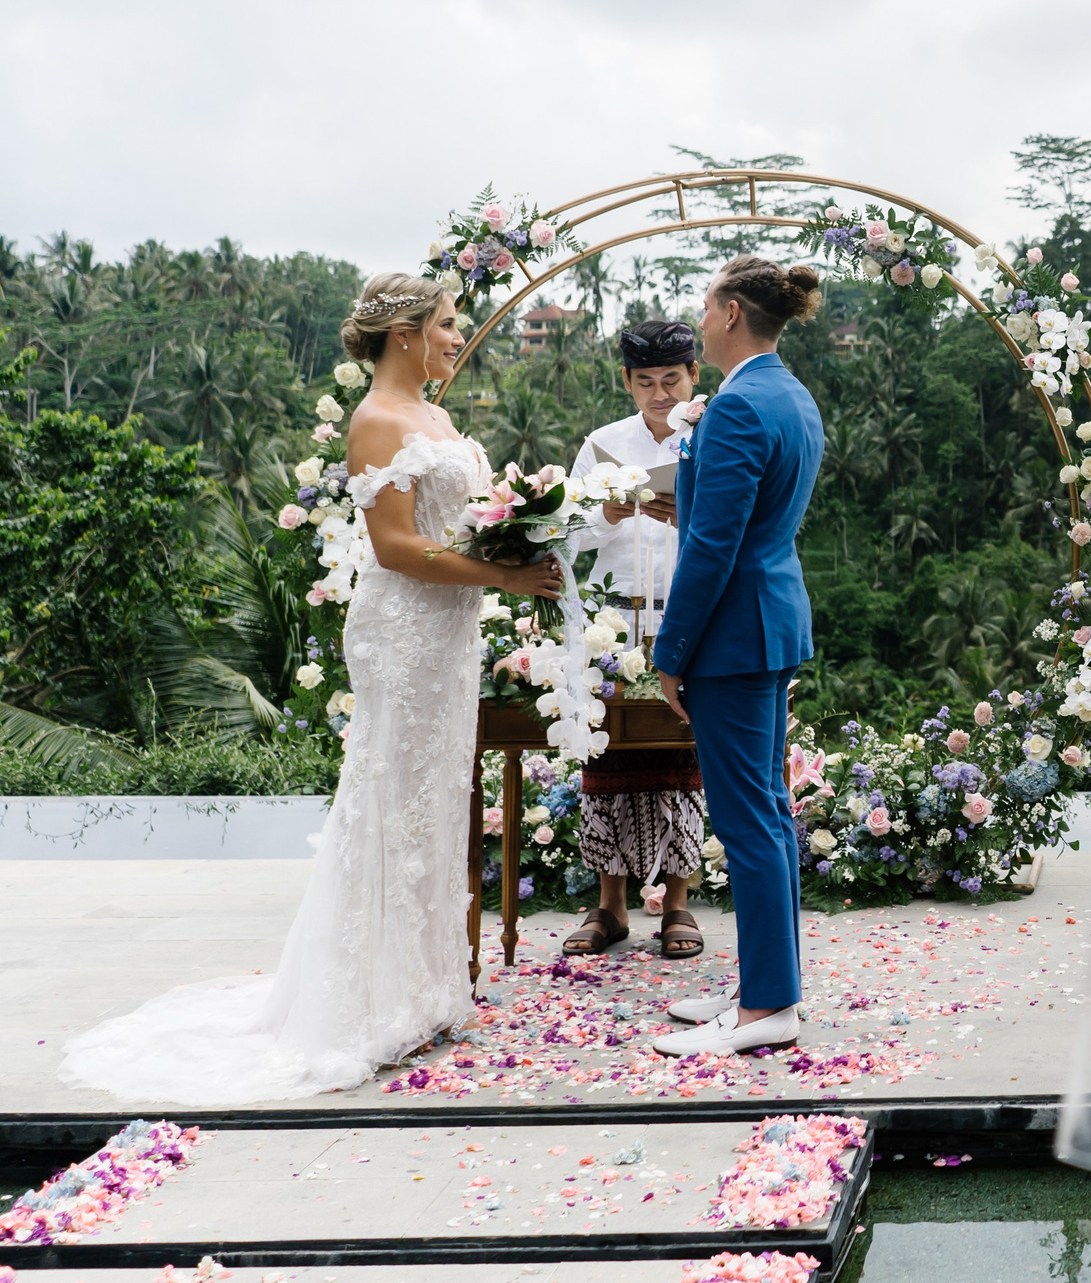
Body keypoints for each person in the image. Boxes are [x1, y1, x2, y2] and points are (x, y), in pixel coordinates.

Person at [59, 274, 564, 1104]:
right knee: (391, 798)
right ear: (402, 333)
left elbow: (454, 523)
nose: (454, 335)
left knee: (435, 799)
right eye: (444, 323)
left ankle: (430, 989)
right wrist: (502, 576)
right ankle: (372, 999)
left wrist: (516, 534)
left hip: (448, 633)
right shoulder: (375, 421)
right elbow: (398, 546)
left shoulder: (436, 415)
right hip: (403, 631)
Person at [647, 255, 826, 1059]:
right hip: (768, 620)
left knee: (750, 817)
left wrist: (671, 651)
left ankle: (766, 1008)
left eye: (704, 300)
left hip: (732, 634)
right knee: (768, 812)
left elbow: (711, 546)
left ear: (726, 312)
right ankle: (766, 980)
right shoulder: (788, 394)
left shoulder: (739, 408)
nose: (700, 309)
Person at [559, 318, 706, 959]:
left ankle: (678, 904)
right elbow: (563, 532)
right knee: (607, 755)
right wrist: (604, 512)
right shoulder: (601, 444)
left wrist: (690, 510)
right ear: (627, 381)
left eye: (671, 380)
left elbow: (742, 520)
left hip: (687, 611)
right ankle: (610, 906)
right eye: (645, 382)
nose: (659, 394)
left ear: (693, 376)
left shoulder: (711, 433)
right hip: (614, 618)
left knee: (683, 761)